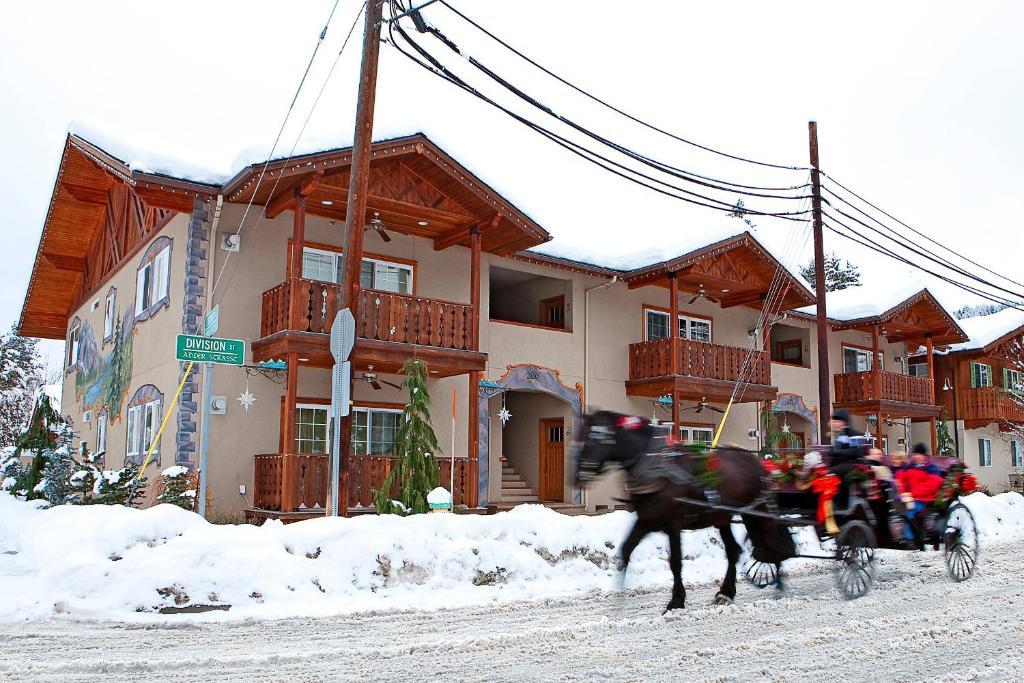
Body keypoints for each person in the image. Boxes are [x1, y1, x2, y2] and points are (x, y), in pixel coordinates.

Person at [896, 446, 945, 546]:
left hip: (926, 500)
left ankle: (910, 539)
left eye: (917, 454)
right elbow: (900, 482)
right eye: (914, 454)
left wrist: (912, 494)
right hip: (909, 499)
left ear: (924, 456)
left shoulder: (931, 469)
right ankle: (905, 536)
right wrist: (902, 493)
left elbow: (931, 486)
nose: (915, 456)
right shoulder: (908, 468)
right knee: (901, 510)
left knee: (910, 512)